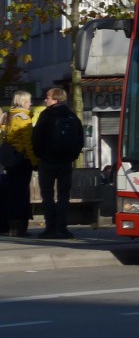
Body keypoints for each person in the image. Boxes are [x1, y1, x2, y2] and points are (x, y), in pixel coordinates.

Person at [31, 87, 85, 240]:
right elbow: (80, 139)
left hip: (47, 162)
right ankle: (62, 228)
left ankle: (50, 228)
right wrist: (72, 156)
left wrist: (40, 155)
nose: (45, 100)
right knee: (63, 195)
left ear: (55, 99)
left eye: (47, 97)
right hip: (66, 162)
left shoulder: (46, 115)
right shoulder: (72, 116)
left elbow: (36, 138)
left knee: (47, 195)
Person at [2, 91, 35, 237]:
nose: (31, 104)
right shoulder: (23, 118)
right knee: (22, 194)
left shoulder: (7, 116)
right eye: (29, 101)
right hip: (22, 160)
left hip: (10, 160)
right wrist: (35, 161)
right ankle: (20, 228)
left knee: (12, 193)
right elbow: (28, 142)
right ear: (24, 102)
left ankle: (11, 226)